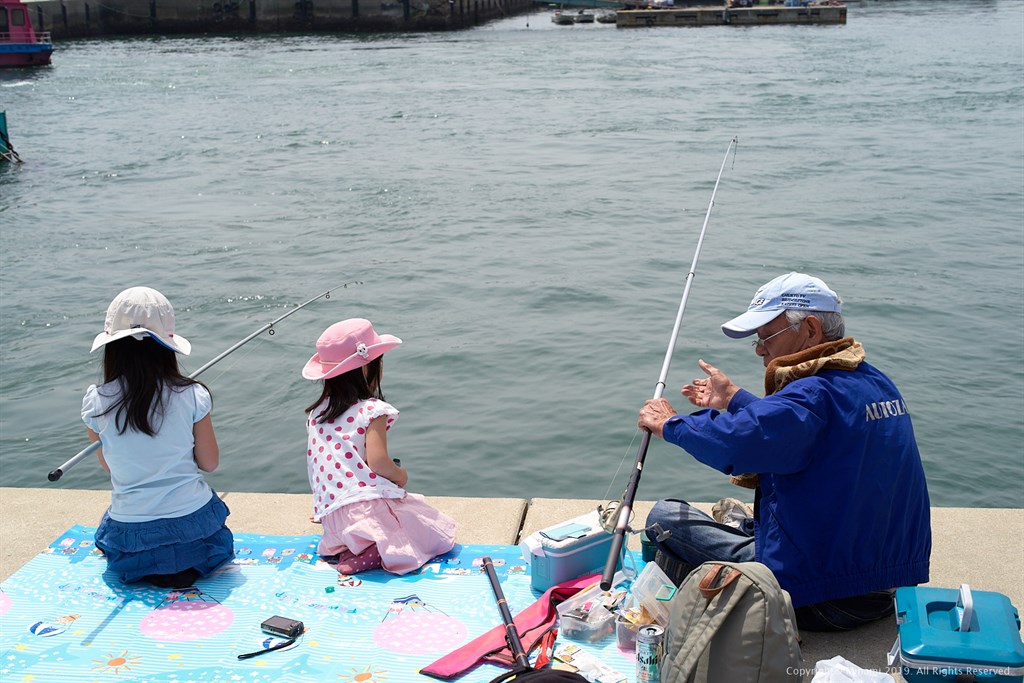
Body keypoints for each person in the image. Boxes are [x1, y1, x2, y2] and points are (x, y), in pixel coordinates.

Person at [638, 272, 931, 632]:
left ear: (810, 328)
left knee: (664, 517)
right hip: (885, 589)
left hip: (817, 597)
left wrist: (670, 424)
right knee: (754, 517)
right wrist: (733, 398)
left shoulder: (811, 396)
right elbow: (787, 428)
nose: (761, 349)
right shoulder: (874, 381)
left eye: (766, 338)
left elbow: (738, 442)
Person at [83, 287, 234, 588]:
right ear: (167, 345)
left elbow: (111, 467)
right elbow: (210, 462)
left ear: (111, 347)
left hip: (130, 537)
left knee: (110, 522)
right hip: (194, 533)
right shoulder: (193, 394)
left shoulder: (95, 400)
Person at [301, 318, 456, 575]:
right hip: (363, 512)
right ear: (368, 369)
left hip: (331, 516)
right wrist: (400, 477)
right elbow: (379, 463)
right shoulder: (372, 411)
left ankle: (352, 545)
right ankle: (372, 552)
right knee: (428, 525)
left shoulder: (317, 413)